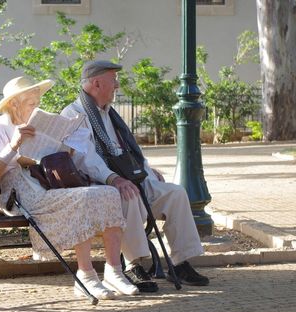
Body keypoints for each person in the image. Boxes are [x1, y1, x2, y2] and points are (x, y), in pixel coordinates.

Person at [0, 76, 139, 300]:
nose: (37, 107)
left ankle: (114, 271)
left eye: (37, 102)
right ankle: (86, 275)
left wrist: (65, 148)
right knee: (81, 198)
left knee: (109, 193)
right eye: (31, 103)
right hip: (21, 192)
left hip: (48, 183)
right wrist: (13, 145)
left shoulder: (37, 125)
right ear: (14, 103)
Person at [61, 60, 210, 289]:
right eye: (113, 80)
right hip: (103, 184)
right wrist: (114, 178)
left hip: (130, 179)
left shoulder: (110, 114)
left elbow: (129, 152)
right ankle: (134, 264)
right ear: (96, 83)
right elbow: (85, 159)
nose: (117, 86)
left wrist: (148, 171)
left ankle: (180, 262)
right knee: (129, 196)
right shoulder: (74, 115)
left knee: (175, 193)